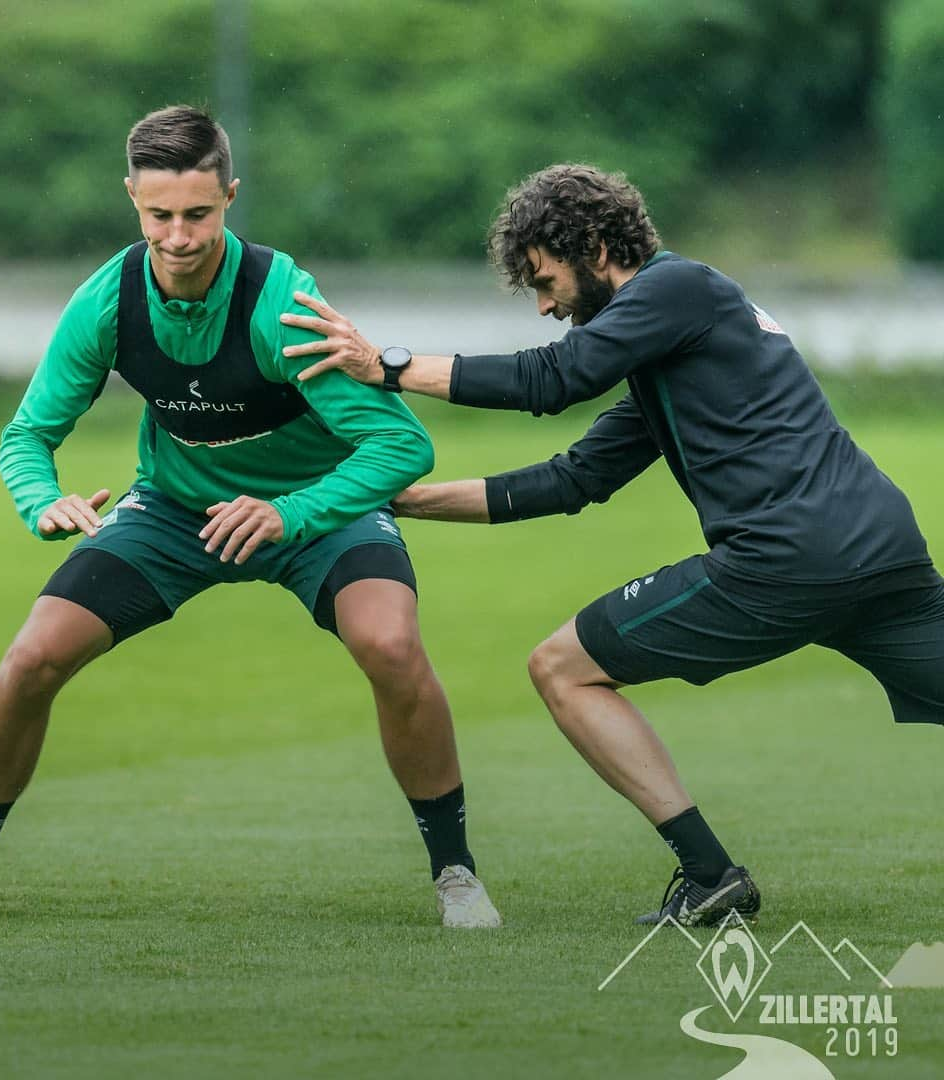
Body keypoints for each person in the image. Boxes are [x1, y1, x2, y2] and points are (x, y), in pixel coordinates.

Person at [279, 162, 944, 927]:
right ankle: (709, 875)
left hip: (784, 559)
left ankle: (709, 874)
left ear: (595, 246)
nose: (543, 305)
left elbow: (555, 379)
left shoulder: (674, 288)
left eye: (544, 279)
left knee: (563, 668)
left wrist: (387, 366)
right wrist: (399, 498)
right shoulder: (677, 345)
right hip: (880, 549)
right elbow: (572, 480)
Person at [0, 105, 501, 929]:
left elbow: (400, 447)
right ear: (133, 201)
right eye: (159, 216)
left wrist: (292, 512)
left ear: (231, 197)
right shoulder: (107, 300)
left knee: (390, 646)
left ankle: (456, 876)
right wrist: (43, 501)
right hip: (175, 510)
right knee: (32, 658)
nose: (178, 236)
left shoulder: (280, 301)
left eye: (199, 215)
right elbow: (30, 432)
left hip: (314, 508)